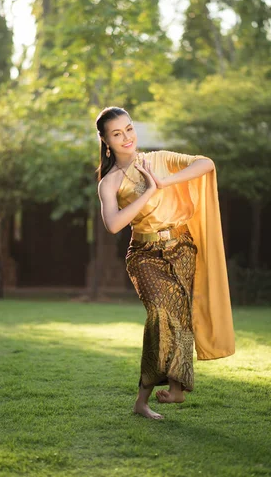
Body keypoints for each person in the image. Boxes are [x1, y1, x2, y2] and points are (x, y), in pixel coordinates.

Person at [96, 106, 235, 420]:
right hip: (144, 255)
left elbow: (206, 164)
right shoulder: (109, 182)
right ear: (106, 141)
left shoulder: (159, 159)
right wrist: (149, 191)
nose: (126, 137)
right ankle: (144, 399)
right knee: (160, 311)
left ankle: (174, 390)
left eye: (129, 129)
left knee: (179, 315)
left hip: (182, 246)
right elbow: (114, 224)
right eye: (117, 134)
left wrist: (165, 180)